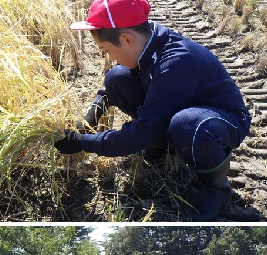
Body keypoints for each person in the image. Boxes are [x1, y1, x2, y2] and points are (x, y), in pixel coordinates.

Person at [54, 0, 251, 221]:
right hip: (185, 107)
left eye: (107, 50)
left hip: (222, 122)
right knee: (116, 78)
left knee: (187, 125)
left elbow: (141, 132)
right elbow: (109, 90)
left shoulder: (174, 63)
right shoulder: (148, 42)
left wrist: (83, 142)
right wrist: (89, 118)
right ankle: (160, 146)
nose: (110, 57)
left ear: (127, 39)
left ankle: (216, 188)